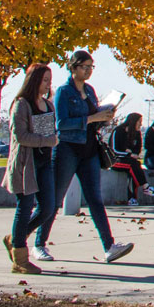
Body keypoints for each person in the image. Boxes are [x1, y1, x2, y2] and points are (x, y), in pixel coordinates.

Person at [35, 50, 134, 264]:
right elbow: (60, 124)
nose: (88, 71)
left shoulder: (89, 91)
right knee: (54, 199)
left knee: (95, 199)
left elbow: (93, 119)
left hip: (89, 150)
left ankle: (109, 246)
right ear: (73, 68)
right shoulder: (63, 92)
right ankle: (38, 243)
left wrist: (104, 116)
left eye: (91, 66)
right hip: (68, 149)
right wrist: (92, 117)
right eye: (84, 66)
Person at [1, 63, 59, 274]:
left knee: (48, 208)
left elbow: (49, 135)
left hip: (44, 164)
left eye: (49, 81)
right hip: (26, 164)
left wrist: (49, 141)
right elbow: (21, 136)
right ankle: (20, 259)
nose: (48, 85)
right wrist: (47, 141)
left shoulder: (48, 105)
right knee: (24, 208)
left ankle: (14, 239)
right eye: (44, 80)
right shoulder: (22, 104)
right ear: (34, 81)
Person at [109, 113, 154, 206]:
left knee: (133, 168)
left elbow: (138, 149)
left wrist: (131, 154)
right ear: (133, 122)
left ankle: (132, 199)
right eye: (139, 122)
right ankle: (145, 187)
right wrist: (128, 153)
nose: (140, 124)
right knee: (134, 164)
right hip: (115, 161)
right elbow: (114, 150)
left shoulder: (137, 133)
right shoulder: (118, 131)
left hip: (129, 161)